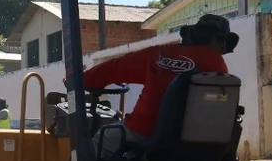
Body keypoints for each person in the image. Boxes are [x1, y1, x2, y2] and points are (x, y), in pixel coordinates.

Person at [79, 13, 236, 142]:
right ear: (218, 41)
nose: (224, 48)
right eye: (223, 43)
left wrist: (80, 80)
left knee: (99, 140)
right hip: (197, 143)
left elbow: (112, 68)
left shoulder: (160, 54)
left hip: (144, 132)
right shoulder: (219, 68)